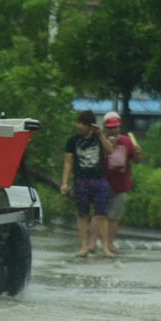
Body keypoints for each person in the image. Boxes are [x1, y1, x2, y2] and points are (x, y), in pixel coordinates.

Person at [60, 110, 115, 258]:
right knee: (83, 215)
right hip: (81, 181)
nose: (79, 126)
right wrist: (64, 183)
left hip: (99, 180)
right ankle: (84, 247)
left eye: (83, 124)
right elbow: (67, 162)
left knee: (102, 216)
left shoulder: (98, 138)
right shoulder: (72, 141)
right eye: (78, 122)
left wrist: (100, 134)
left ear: (90, 126)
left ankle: (105, 248)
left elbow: (110, 150)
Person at [92, 111, 142, 255]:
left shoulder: (126, 141)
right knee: (99, 216)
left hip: (121, 185)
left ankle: (110, 244)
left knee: (114, 217)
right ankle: (93, 243)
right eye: (109, 128)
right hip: (102, 185)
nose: (112, 130)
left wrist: (138, 153)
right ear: (104, 128)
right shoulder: (98, 141)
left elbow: (136, 161)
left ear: (119, 128)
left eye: (115, 127)